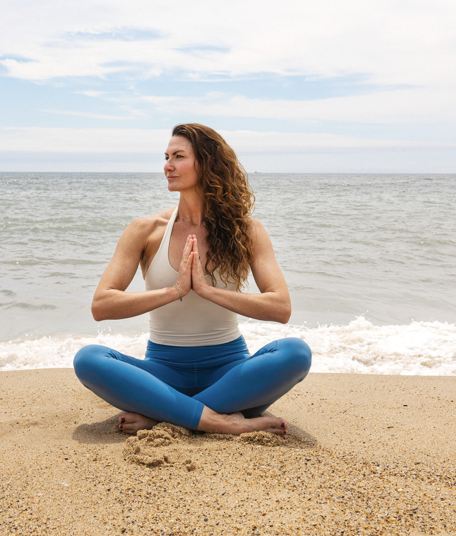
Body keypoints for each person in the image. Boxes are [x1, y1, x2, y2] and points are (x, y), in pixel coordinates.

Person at [73, 123, 311, 436]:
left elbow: (280, 308)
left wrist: (207, 291)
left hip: (230, 375)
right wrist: (174, 291)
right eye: (166, 156)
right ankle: (218, 420)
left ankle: (168, 413)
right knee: (88, 359)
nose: (167, 166)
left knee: (296, 353)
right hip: (162, 372)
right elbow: (102, 305)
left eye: (178, 156)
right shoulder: (146, 230)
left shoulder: (247, 231)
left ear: (207, 163)